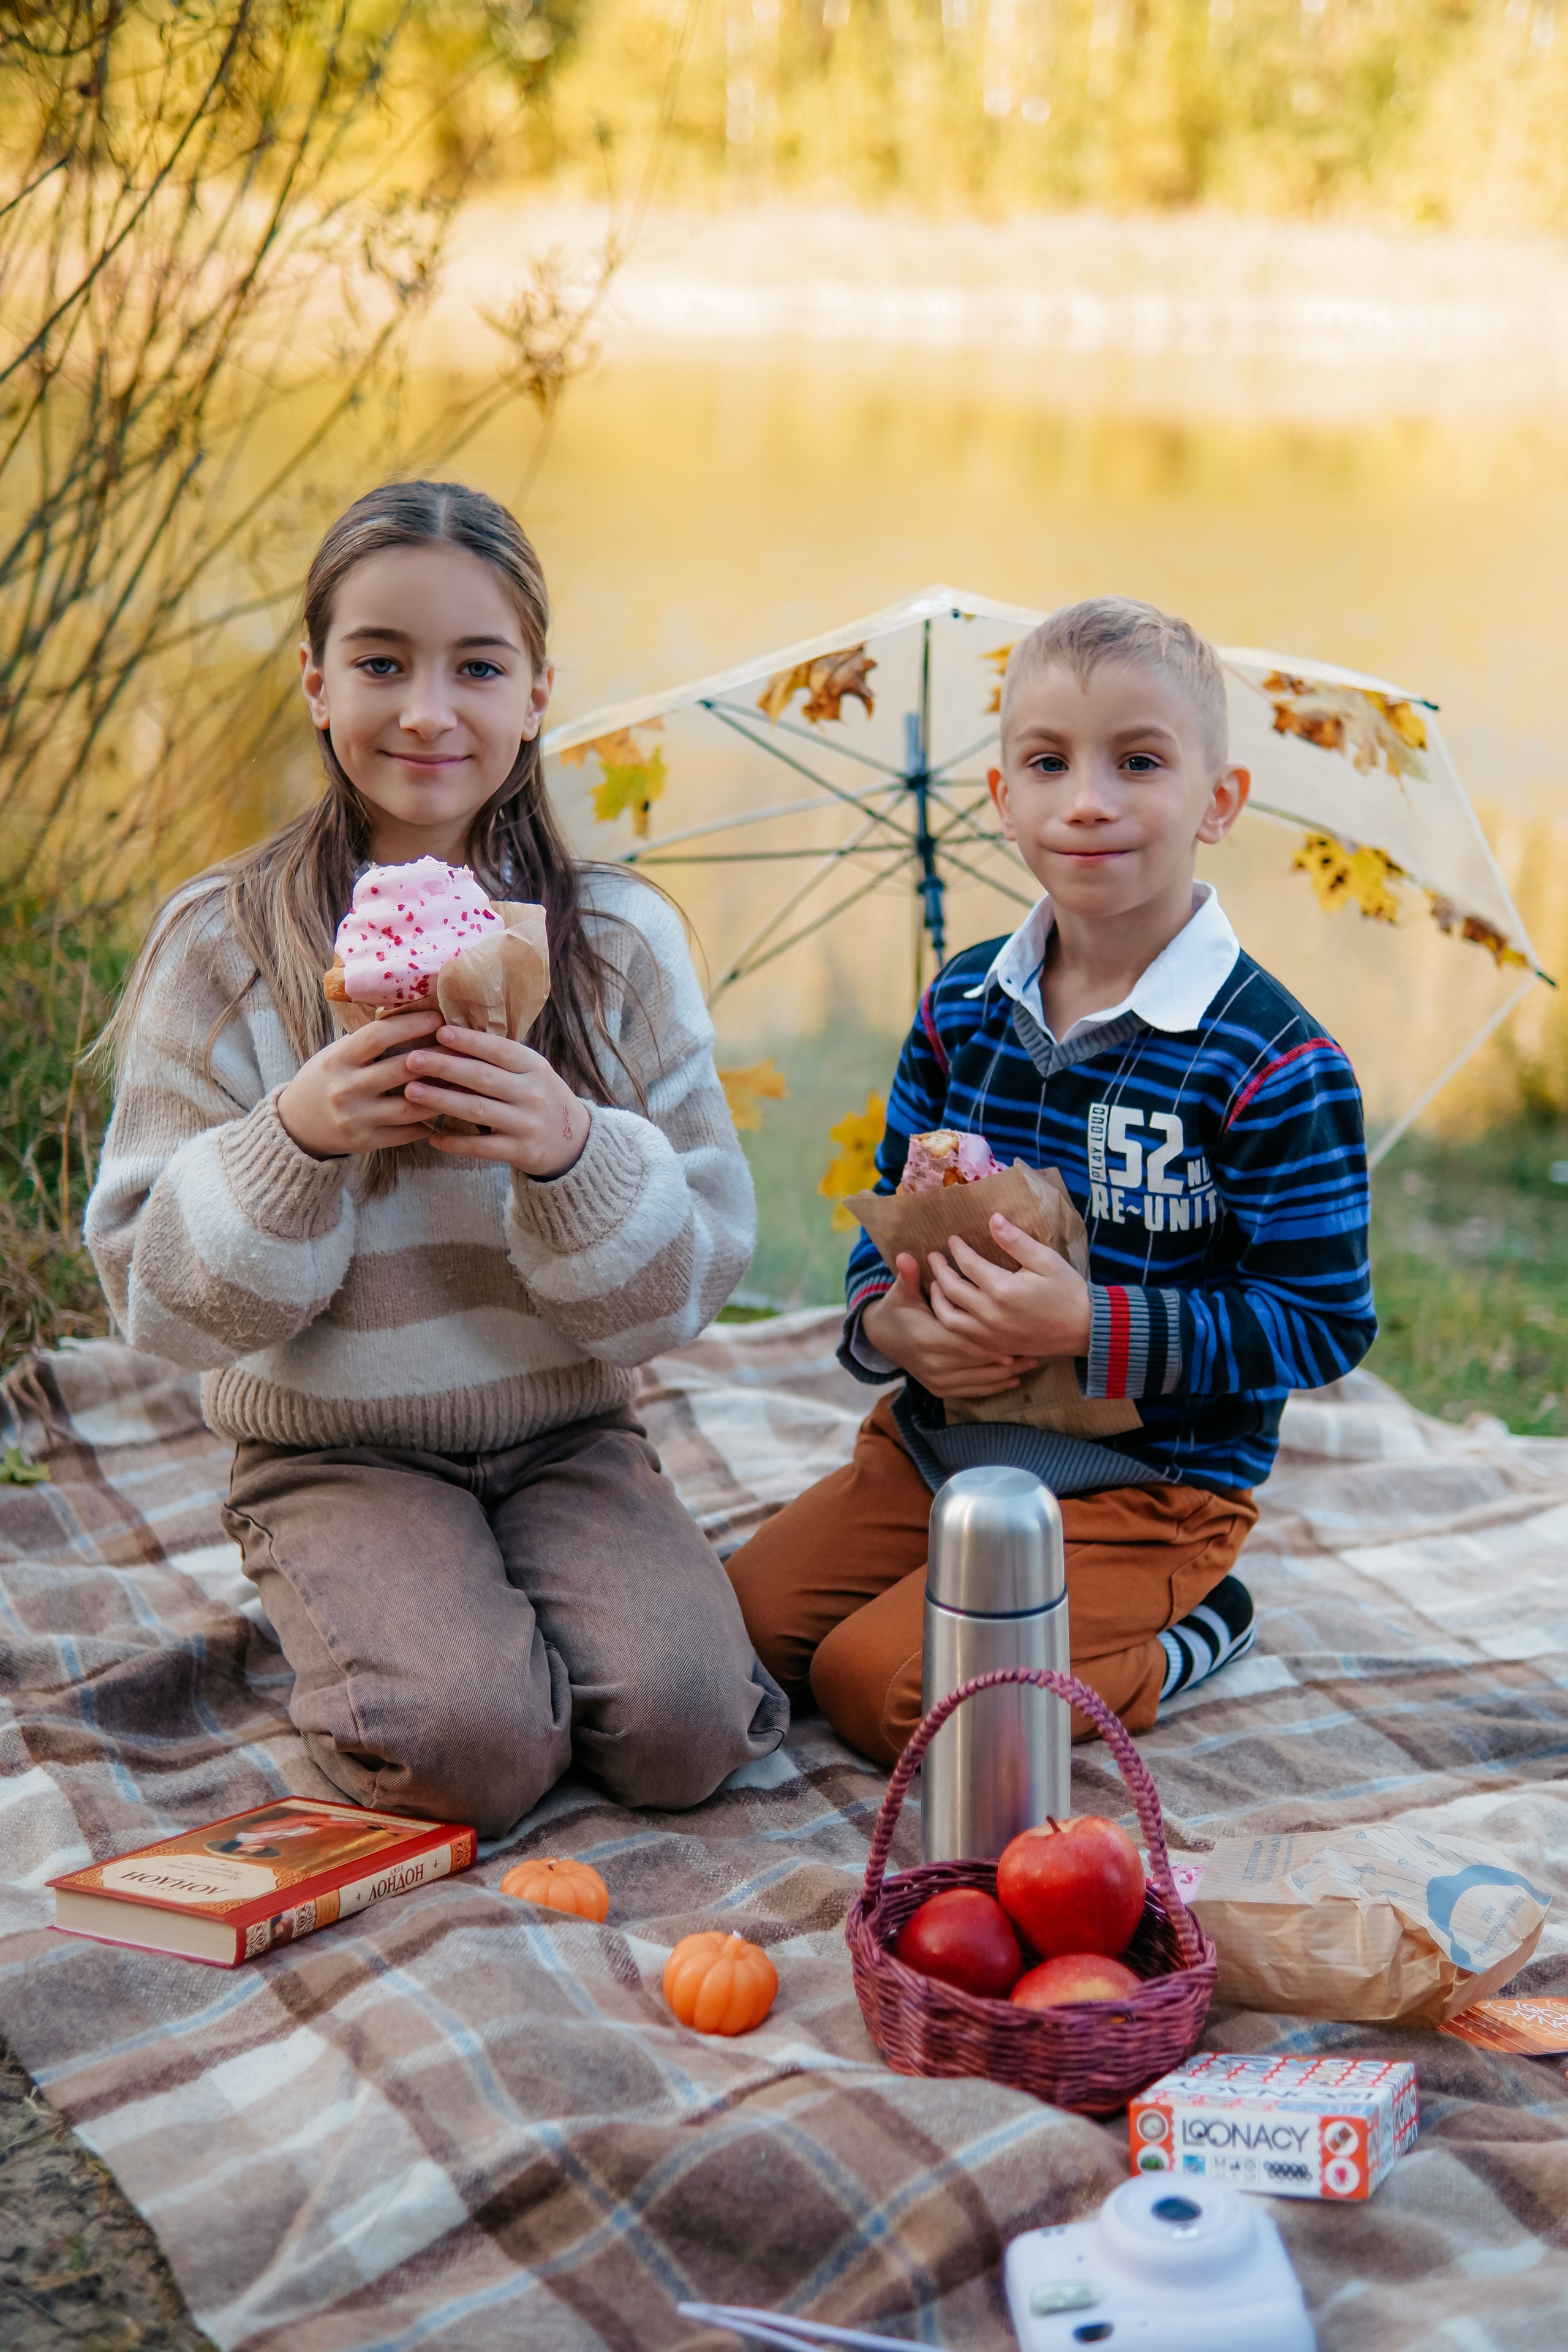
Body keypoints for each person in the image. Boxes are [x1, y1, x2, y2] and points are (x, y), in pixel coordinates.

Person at [86, 478, 786, 1838]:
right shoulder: (223, 946)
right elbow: (155, 1300)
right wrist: (297, 1141)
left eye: (477, 666)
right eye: (380, 663)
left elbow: (688, 1287)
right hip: (336, 1451)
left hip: (566, 1430)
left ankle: (498, 1621)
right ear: (313, 682)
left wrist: (572, 1155)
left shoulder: (619, 946)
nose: (426, 711)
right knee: (470, 1752)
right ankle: (397, 1619)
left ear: (535, 696)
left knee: (691, 1726)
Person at [726, 596, 1375, 1765]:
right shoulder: (962, 1007)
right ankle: (960, 1595)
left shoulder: (1272, 1062)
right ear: (1003, 799)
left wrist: (1093, 1323)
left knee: (890, 1691)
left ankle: (1189, 1631)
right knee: (745, 1636)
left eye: (1139, 761)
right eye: (1048, 761)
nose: (1088, 798)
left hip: (1149, 1488)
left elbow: (1325, 1321)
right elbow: (889, 1215)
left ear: (1217, 802)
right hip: (940, 1448)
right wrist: (891, 1326)